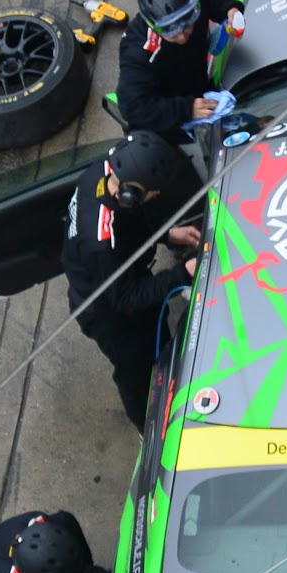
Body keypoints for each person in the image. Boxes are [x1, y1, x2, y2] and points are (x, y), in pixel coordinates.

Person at [62, 131, 200, 431]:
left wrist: (167, 233)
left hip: (124, 273)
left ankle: (171, 375)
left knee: (159, 340)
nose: (156, 196)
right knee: (136, 373)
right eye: (153, 193)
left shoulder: (105, 173)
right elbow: (125, 297)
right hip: (106, 310)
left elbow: (136, 217)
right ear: (130, 194)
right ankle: (148, 430)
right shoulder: (101, 243)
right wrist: (182, 273)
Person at [116, 0, 245, 139]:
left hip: (197, 83)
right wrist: (187, 109)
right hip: (169, 118)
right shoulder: (138, 51)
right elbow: (132, 106)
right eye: (171, 32)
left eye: (187, 24)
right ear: (152, 26)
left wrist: (229, 8)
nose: (183, 36)